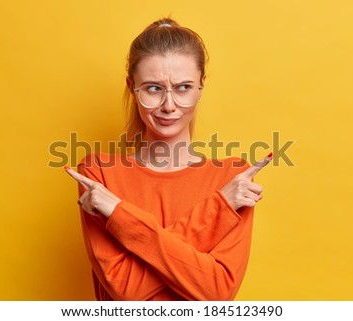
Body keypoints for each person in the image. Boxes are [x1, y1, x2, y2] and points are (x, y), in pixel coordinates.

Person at [64, 17, 272, 301]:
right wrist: (218, 212)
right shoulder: (99, 173)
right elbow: (126, 291)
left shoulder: (233, 179)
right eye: (153, 88)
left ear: (201, 86)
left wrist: (119, 214)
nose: (169, 105)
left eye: (183, 87)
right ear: (131, 87)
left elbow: (217, 293)